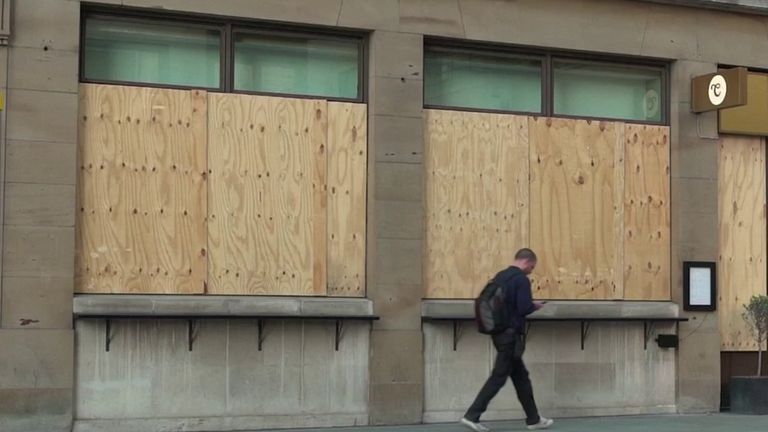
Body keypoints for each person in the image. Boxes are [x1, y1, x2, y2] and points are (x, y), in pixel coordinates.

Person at [460, 248, 554, 432]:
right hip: (511, 337)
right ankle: (472, 415)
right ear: (527, 262)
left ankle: (533, 419)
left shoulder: (501, 276)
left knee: (521, 378)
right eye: (532, 267)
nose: (531, 271)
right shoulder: (521, 280)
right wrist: (534, 306)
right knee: (499, 376)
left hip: (498, 333)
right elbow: (523, 307)